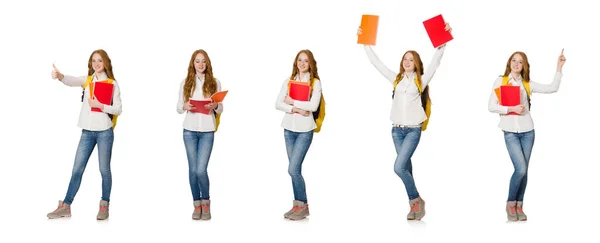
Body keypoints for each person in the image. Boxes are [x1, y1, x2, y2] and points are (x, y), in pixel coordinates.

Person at [357, 23, 452, 220]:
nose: (407, 61)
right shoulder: (396, 79)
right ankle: (415, 207)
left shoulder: (421, 81)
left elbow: (435, 63)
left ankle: (415, 200)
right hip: (396, 130)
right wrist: (365, 43)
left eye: (411, 59)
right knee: (405, 167)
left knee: (398, 167)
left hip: (412, 131)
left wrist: (443, 41)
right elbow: (378, 64)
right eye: (405, 59)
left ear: (416, 63)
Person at [488, 49, 566, 221]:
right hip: (510, 132)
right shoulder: (500, 81)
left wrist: (559, 67)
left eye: (520, 62)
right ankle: (510, 202)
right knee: (520, 169)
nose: (516, 64)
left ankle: (519, 204)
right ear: (509, 63)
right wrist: (511, 109)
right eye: (514, 60)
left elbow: (552, 88)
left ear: (524, 67)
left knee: (525, 171)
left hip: (528, 132)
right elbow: (491, 106)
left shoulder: (527, 84)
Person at [47, 49, 122, 220]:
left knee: (104, 170)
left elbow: (118, 109)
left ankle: (104, 206)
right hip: (87, 132)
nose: (97, 64)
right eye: (94, 61)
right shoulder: (87, 81)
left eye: (100, 61)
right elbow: (70, 80)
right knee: (77, 169)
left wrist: (101, 105)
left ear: (106, 64)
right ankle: (66, 206)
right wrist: (60, 76)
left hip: (104, 132)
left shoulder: (112, 84)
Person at [177, 49, 224, 220]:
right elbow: (177, 107)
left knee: (201, 169)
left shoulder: (214, 82)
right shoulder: (185, 83)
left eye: (203, 61)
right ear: (193, 64)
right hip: (189, 131)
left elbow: (221, 107)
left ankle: (206, 202)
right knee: (192, 170)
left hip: (207, 131)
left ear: (207, 64)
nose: (201, 64)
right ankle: (196, 204)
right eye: (197, 61)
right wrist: (185, 106)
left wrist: (214, 107)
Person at [275, 49, 323, 220]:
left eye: (306, 61)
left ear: (311, 64)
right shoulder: (289, 81)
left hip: (304, 131)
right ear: (296, 62)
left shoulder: (315, 83)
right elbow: (278, 103)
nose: (302, 63)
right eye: (299, 60)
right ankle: (297, 205)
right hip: (288, 129)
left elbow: (313, 106)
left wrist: (292, 101)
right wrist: (295, 108)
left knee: (293, 169)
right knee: (294, 170)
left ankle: (303, 205)